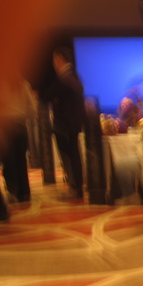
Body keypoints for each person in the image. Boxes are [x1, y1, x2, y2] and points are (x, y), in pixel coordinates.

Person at [41, 47, 88, 200]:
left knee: (70, 157)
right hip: (73, 123)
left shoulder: (65, 78)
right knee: (74, 155)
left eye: (55, 60)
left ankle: (75, 188)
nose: (54, 64)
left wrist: (54, 98)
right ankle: (76, 187)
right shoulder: (76, 76)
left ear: (60, 59)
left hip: (65, 125)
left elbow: (47, 95)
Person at [0, 76, 37, 203]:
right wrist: (22, 117)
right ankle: (24, 193)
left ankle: (12, 191)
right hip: (21, 127)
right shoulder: (24, 85)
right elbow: (32, 109)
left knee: (9, 161)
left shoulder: (0, 85)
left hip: (5, 127)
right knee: (21, 160)